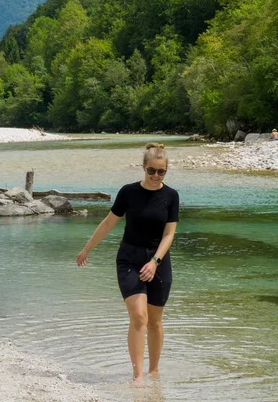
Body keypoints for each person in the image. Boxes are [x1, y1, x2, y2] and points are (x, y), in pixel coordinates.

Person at [76, 143, 179, 387]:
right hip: (129, 259)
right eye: (151, 170)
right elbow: (108, 223)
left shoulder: (171, 196)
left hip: (159, 262)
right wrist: (87, 248)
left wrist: (155, 262)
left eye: (161, 171)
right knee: (139, 317)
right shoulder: (128, 192)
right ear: (143, 168)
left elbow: (169, 235)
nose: (155, 176)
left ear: (166, 171)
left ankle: (154, 373)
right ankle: (138, 376)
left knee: (154, 321)